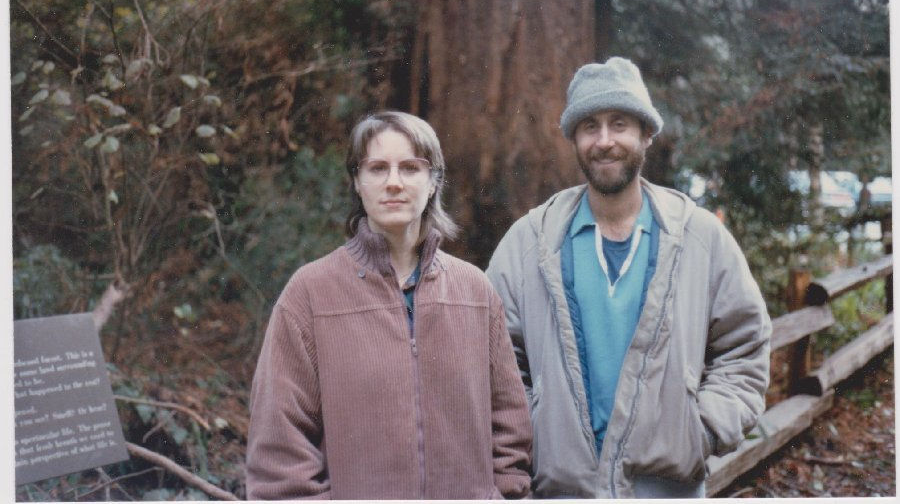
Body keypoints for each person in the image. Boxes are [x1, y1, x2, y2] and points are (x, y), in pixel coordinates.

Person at [485, 58, 772, 498]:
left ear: (646, 134)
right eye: (589, 126)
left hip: (667, 489)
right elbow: (494, 358)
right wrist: (533, 432)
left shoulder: (699, 237)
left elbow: (745, 345)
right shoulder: (530, 240)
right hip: (560, 490)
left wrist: (700, 430)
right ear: (574, 139)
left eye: (619, 124)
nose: (604, 141)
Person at [246, 111, 532, 500]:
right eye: (378, 168)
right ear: (357, 183)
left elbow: (510, 429)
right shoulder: (310, 294)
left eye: (411, 168)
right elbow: (279, 446)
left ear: (433, 183)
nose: (394, 183)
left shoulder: (475, 291)